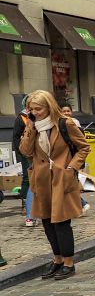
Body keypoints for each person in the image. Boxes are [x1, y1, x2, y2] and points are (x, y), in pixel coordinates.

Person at [18, 90, 90, 280]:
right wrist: (31, 127)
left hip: (61, 178)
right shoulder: (33, 126)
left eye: (38, 109)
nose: (35, 112)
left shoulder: (65, 124)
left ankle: (68, 262)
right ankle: (57, 259)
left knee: (61, 221)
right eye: (32, 109)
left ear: (48, 106)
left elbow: (84, 147)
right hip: (41, 180)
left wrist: (71, 168)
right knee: (47, 222)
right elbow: (25, 151)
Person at [60, 104, 90, 214]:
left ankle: (81, 204)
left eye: (68, 111)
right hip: (66, 158)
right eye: (64, 111)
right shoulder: (59, 123)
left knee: (71, 182)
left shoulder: (73, 123)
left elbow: (82, 143)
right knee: (69, 183)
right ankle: (79, 205)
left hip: (73, 157)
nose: (66, 113)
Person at [12, 94, 35, 227]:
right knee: (28, 177)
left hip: (36, 152)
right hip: (25, 152)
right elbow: (15, 138)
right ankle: (25, 204)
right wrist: (21, 152)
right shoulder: (20, 118)